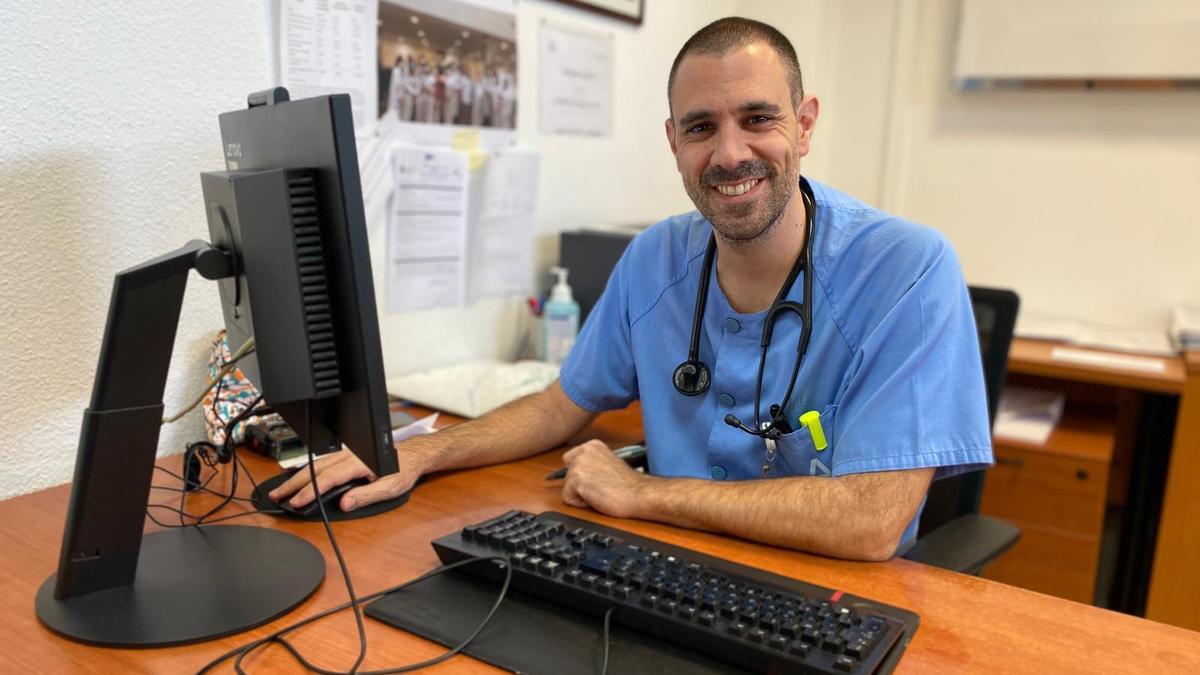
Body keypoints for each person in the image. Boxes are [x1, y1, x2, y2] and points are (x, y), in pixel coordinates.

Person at [270, 17, 992, 561]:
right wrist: (419, 453)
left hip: (828, 604)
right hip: (670, 564)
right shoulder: (654, 260)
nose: (731, 152)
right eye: (702, 127)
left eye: (759, 118)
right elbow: (561, 405)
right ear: (674, 141)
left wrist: (642, 492)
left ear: (804, 126)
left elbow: (870, 520)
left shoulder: (908, 272)